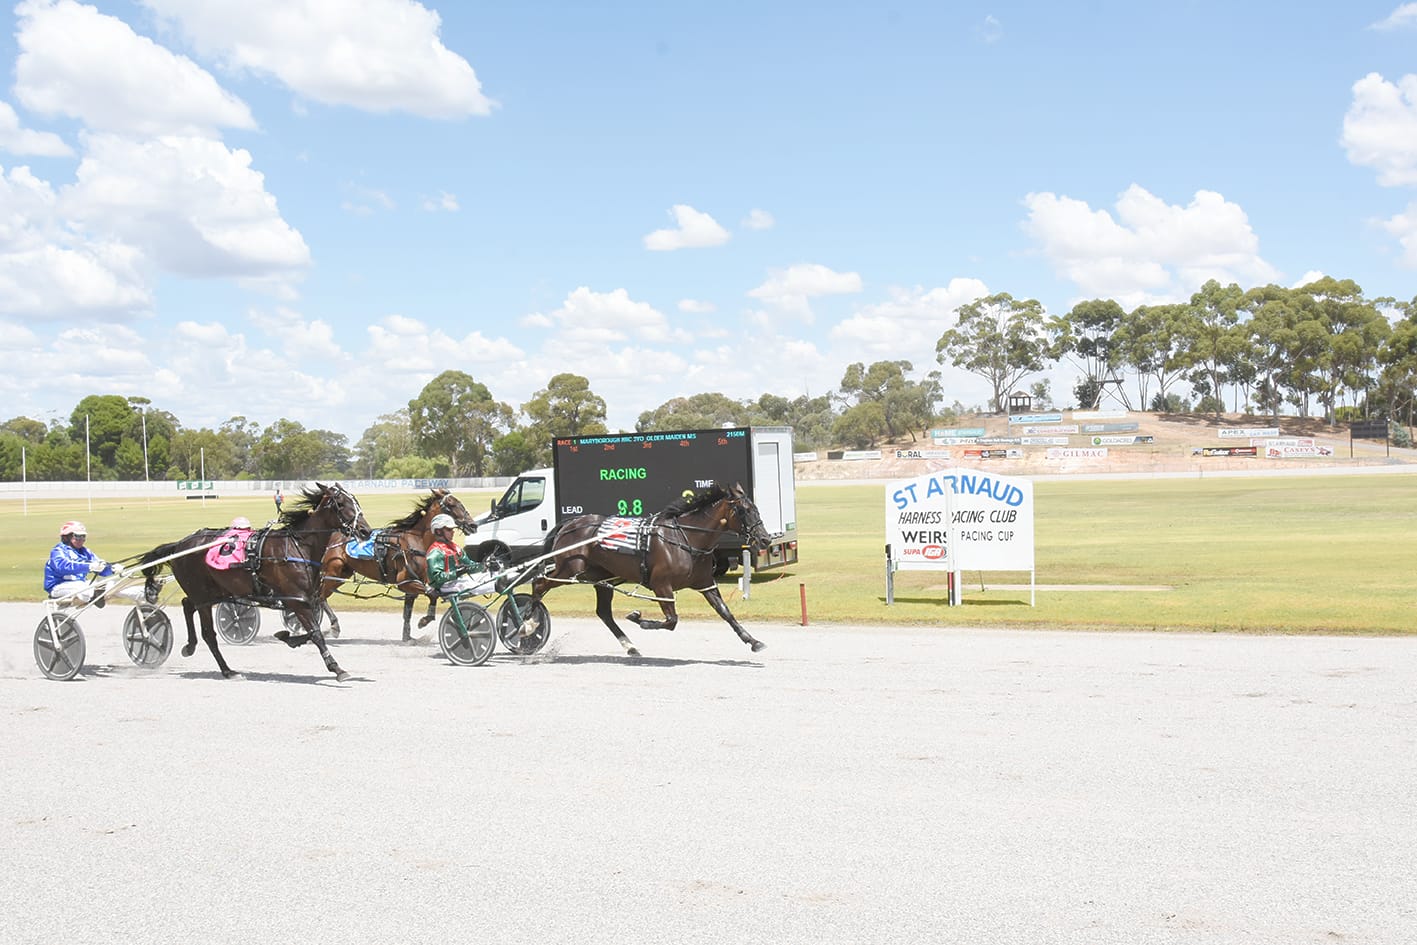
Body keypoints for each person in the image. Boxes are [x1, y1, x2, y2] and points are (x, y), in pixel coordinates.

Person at [43, 520, 134, 606]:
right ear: (67, 537)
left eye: (83, 536)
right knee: (85, 588)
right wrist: (90, 566)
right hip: (58, 587)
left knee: (112, 584)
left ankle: (142, 597)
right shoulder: (58, 551)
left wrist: (112, 569)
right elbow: (63, 567)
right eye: (78, 536)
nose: (81, 540)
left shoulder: (85, 551)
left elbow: (100, 567)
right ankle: (93, 597)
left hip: (80, 585)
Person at [425, 513, 490, 597]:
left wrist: (485, 565)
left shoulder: (455, 548)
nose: (453, 532)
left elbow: (470, 565)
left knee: (487, 577)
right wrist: (457, 573)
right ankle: (497, 585)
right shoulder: (435, 552)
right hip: (444, 586)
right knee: (472, 585)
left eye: (452, 529)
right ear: (438, 531)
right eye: (449, 529)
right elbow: (437, 577)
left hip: (456, 582)